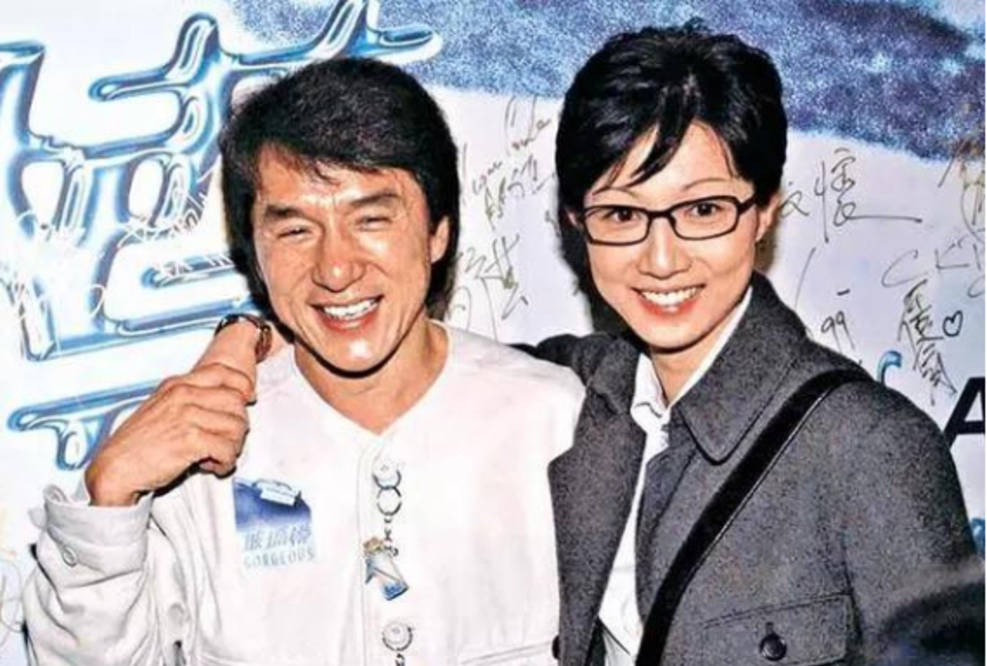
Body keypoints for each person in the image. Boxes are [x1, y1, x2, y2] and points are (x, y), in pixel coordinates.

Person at [202, 24, 981, 665]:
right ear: (576, 224)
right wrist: (244, 341)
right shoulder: (578, 391)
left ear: (764, 210)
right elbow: (413, 356)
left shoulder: (868, 447)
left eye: (702, 210)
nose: (661, 258)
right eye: (621, 215)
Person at [22, 58, 583, 665]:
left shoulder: (554, 421)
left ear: (438, 232)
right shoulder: (191, 452)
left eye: (371, 220)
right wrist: (108, 501)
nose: (336, 269)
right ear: (252, 253)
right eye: (295, 231)